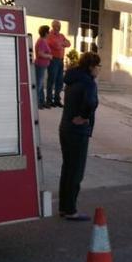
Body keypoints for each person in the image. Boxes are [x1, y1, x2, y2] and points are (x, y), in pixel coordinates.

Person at [58, 52, 101, 221]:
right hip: (78, 131)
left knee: (67, 168)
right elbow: (91, 102)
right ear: (91, 66)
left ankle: (64, 206)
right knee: (76, 171)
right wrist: (84, 117)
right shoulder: (88, 82)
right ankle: (70, 209)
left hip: (65, 127)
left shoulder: (72, 79)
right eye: (98, 66)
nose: (99, 70)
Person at [46, 20, 71, 108]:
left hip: (60, 60)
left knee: (60, 81)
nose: (59, 27)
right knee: (51, 80)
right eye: (57, 26)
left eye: (59, 26)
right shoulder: (49, 35)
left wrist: (62, 44)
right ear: (53, 26)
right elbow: (55, 45)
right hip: (53, 60)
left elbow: (69, 44)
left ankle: (57, 100)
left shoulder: (61, 35)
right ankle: (49, 100)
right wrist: (61, 44)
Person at [34, 25, 53, 109]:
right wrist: (49, 56)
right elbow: (40, 53)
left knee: (41, 85)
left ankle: (41, 102)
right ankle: (36, 103)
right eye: (48, 32)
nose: (49, 33)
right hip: (40, 65)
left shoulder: (42, 40)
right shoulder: (42, 41)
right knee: (39, 85)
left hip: (42, 65)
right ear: (45, 33)